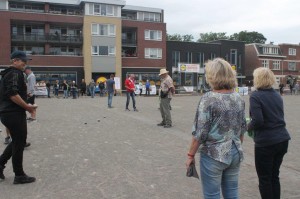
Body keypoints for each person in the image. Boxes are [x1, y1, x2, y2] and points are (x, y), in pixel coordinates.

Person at [185, 58, 246, 199]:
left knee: (212, 194)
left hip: (213, 154)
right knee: (232, 192)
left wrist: (190, 155)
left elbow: (200, 133)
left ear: (212, 76)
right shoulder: (238, 98)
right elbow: (242, 129)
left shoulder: (208, 99)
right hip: (235, 150)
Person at [247, 67, 290, 199]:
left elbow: (258, 120)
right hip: (282, 139)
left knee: (264, 179)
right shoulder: (277, 95)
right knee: (274, 176)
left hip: (266, 142)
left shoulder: (256, 96)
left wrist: (247, 126)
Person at [0, 50, 36, 184]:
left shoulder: (8, 74)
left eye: (26, 62)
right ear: (14, 60)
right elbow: (12, 94)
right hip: (13, 113)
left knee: (17, 141)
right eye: (23, 61)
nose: (25, 64)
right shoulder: (15, 73)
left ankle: (0, 164)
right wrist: (28, 107)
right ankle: (19, 175)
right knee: (19, 142)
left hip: (8, 113)